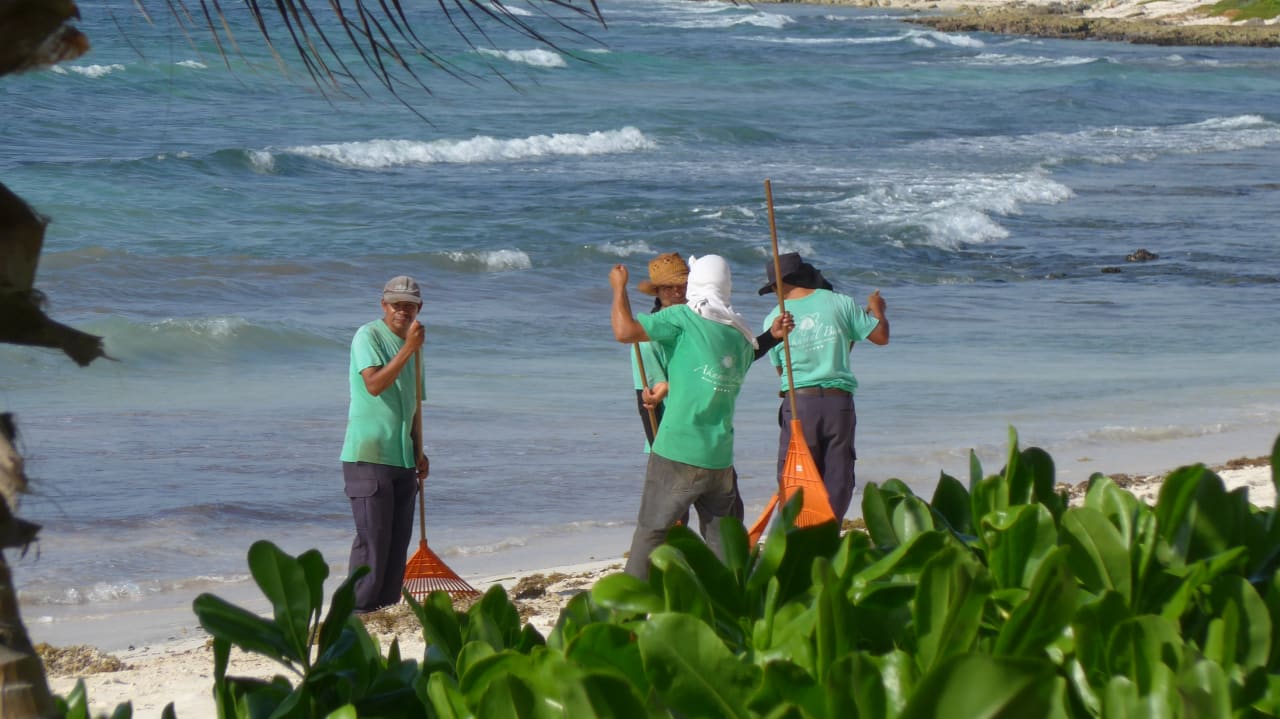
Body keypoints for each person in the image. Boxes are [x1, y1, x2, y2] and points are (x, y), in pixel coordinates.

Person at [610, 255, 758, 580]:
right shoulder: (742, 336)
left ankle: (627, 619)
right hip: (720, 458)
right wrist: (667, 386)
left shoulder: (681, 319)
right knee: (722, 545)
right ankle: (731, 610)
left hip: (679, 450)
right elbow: (703, 375)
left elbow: (624, 331)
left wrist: (619, 289)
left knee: (651, 532)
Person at [759, 253, 889, 522]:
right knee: (838, 476)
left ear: (777, 286)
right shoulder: (840, 302)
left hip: (798, 404)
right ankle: (830, 530)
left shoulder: (773, 319)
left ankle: (797, 533)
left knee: (796, 475)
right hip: (837, 404)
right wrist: (878, 309)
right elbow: (881, 337)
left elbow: (783, 372)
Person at [339, 275, 431, 613]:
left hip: (402, 459)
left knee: (395, 554)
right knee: (373, 548)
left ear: (419, 309)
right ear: (384, 305)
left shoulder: (416, 350)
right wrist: (408, 349)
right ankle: (353, 617)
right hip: (368, 456)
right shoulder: (368, 336)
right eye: (397, 304)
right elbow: (375, 384)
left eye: (410, 305)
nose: (403, 311)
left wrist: (418, 449)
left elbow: (415, 405)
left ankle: (383, 615)